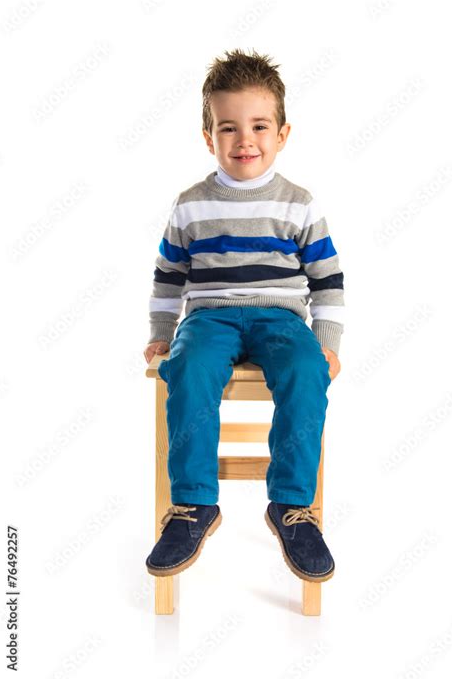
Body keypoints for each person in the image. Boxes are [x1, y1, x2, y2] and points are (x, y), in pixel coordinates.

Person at [143, 48, 345, 583]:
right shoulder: (190, 204)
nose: (244, 140)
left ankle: (291, 506)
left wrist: (327, 342)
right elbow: (169, 276)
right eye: (228, 128)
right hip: (210, 318)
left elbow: (327, 278)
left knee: (307, 372)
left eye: (259, 126)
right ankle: (193, 506)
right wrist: (162, 336)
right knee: (187, 369)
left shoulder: (298, 203)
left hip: (280, 320)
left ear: (283, 134)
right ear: (209, 137)